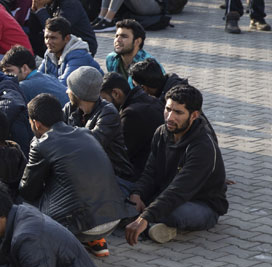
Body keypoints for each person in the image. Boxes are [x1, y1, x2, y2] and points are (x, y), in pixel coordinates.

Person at [19, 93, 126, 258]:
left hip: (82, 226)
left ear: (36, 124)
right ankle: (96, 242)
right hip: (113, 217)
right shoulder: (86, 133)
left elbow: (28, 191)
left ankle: (52, 251)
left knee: (22, 204)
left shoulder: (42, 144)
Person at [125, 85, 228, 245]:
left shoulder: (203, 147)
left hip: (199, 204)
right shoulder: (161, 132)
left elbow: (179, 190)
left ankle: (150, 223)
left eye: (178, 112)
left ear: (194, 115)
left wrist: (144, 217)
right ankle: (154, 226)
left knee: (171, 213)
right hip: (164, 194)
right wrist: (137, 194)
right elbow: (150, 173)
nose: (169, 117)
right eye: (167, 109)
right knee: (124, 195)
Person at [63, 66, 135, 183]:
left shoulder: (108, 112)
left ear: (79, 93)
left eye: (70, 88)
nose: (66, 91)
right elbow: (53, 130)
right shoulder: (70, 108)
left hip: (115, 178)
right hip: (86, 173)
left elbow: (90, 145)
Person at [98, 71, 163, 179]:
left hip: (143, 177)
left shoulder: (131, 114)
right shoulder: (147, 99)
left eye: (104, 100)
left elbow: (121, 155)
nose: (103, 105)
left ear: (116, 93)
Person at [30, 0, 96, 55]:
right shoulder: (47, 1)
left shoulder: (70, 2)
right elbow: (34, 29)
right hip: (62, 42)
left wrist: (40, 10)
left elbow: (57, 29)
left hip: (82, 46)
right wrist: (34, 9)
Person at [35, 16, 100, 84]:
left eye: (53, 38)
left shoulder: (78, 55)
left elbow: (64, 85)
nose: (48, 42)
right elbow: (37, 77)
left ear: (67, 38)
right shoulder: (50, 52)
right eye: (46, 37)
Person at [0, 45, 69, 105]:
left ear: (24, 68)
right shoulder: (48, 77)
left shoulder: (23, 86)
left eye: (9, 71)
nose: (6, 76)